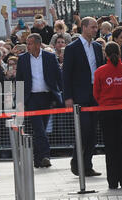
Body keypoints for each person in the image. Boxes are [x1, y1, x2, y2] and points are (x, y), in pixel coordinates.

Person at [93, 41, 122, 189]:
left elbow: (96, 93)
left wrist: (105, 102)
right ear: (120, 53)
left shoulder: (100, 71)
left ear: (105, 54)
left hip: (107, 112)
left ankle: (112, 181)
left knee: (111, 148)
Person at [63, 17, 104, 177]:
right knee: (84, 130)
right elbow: (66, 74)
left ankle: (87, 165)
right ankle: (76, 162)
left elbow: (100, 69)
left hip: (95, 95)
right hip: (80, 95)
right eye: (93, 27)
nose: (95, 30)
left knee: (93, 132)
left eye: (96, 27)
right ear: (84, 27)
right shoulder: (72, 48)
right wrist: (68, 96)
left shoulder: (96, 46)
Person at [16, 33, 63, 168]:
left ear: (37, 44)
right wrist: (19, 101)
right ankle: (46, 155)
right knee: (39, 128)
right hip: (31, 98)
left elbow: (58, 77)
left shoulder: (49, 57)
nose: (27, 46)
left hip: (47, 97)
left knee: (40, 129)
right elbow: (19, 80)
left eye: (29, 43)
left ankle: (37, 159)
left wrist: (62, 94)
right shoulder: (23, 59)